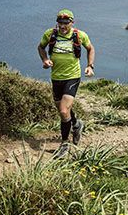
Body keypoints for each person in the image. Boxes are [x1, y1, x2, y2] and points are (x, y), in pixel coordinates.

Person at [38, 9, 95, 158]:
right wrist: (44, 60)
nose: (63, 26)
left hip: (73, 76)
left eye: (66, 23)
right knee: (62, 110)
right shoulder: (50, 34)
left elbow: (90, 49)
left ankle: (65, 144)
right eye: (60, 23)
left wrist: (90, 66)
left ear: (72, 23)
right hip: (56, 77)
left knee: (63, 111)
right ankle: (77, 125)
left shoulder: (79, 35)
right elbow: (41, 47)